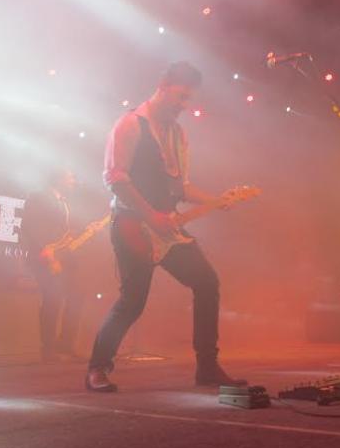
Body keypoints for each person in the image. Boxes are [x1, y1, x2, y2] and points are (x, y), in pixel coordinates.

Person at [85, 61, 246, 392]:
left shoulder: (178, 134)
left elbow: (180, 187)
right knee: (133, 301)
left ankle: (207, 366)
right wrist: (150, 216)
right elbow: (115, 179)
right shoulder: (130, 124)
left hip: (168, 227)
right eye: (180, 97)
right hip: (132, 225)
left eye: (189, 99)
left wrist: (216, 200)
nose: (184, 106)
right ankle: (97, 368)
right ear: (162, 86)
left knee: (206, 282)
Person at [21, 169, 85, 362]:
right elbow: (31, 226)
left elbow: (62, 230)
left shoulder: (65, 201)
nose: (74, 181)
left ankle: (66, 345)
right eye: (70, 177)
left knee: (77, 296)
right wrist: (47, 251)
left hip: (65, 258)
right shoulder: (38, 197)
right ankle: (48, 348)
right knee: (53, 299)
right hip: (44, 257)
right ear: (58, 179)